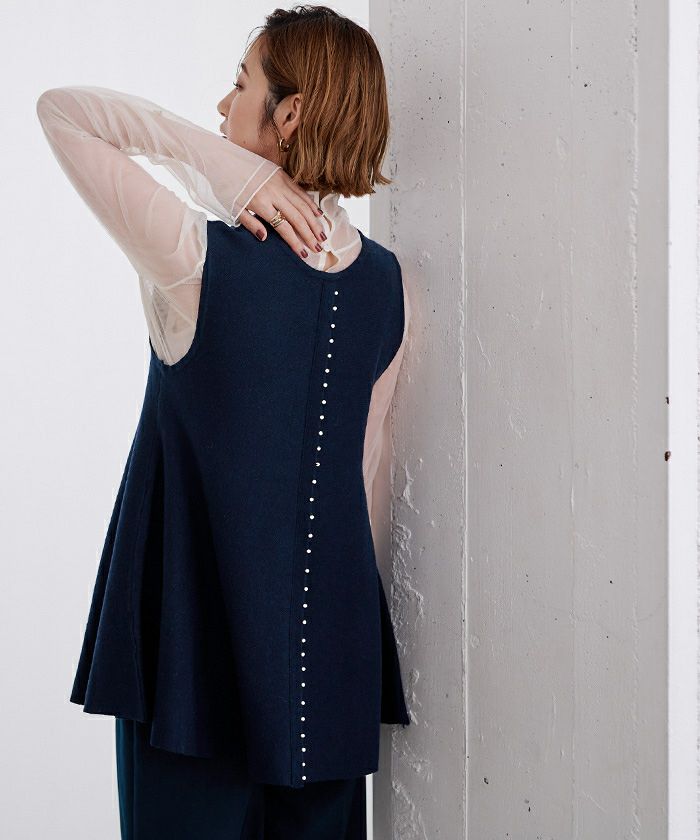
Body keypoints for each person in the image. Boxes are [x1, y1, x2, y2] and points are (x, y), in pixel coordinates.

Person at [36, 5, 412, 838]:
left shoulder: (194, 257)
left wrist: (224, 172)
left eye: (240, 85)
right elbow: (366, 486)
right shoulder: (388, 286)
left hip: (191, 667)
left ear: (290, 112)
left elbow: (63, 113)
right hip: (329, 669)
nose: (219, 106)